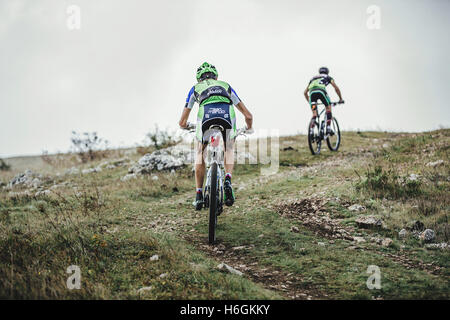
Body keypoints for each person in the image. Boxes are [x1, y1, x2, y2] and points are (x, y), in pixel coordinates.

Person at [178, 62, 253, 210]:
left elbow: (182, 122)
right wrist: (249, 128)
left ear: (199, 78)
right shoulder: (226, 86)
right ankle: (227, 180)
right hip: (226, 115)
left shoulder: (194, 88)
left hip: (205, 117)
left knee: (200, 152)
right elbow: (248, 115)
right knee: (229, 148)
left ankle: (199, 195)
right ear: (216, 76)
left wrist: (187, 126)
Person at [304, 67, 343, 135]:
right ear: (327, 72)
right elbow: (336, 88)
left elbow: (305, 93)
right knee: (328, 107)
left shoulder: (313, 78)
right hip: (321, 91)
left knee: (314, 114)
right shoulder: (328, 77)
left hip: (312, 93)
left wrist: (310, 103)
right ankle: (328, 128)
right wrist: (340, 99)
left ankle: (311, 131)